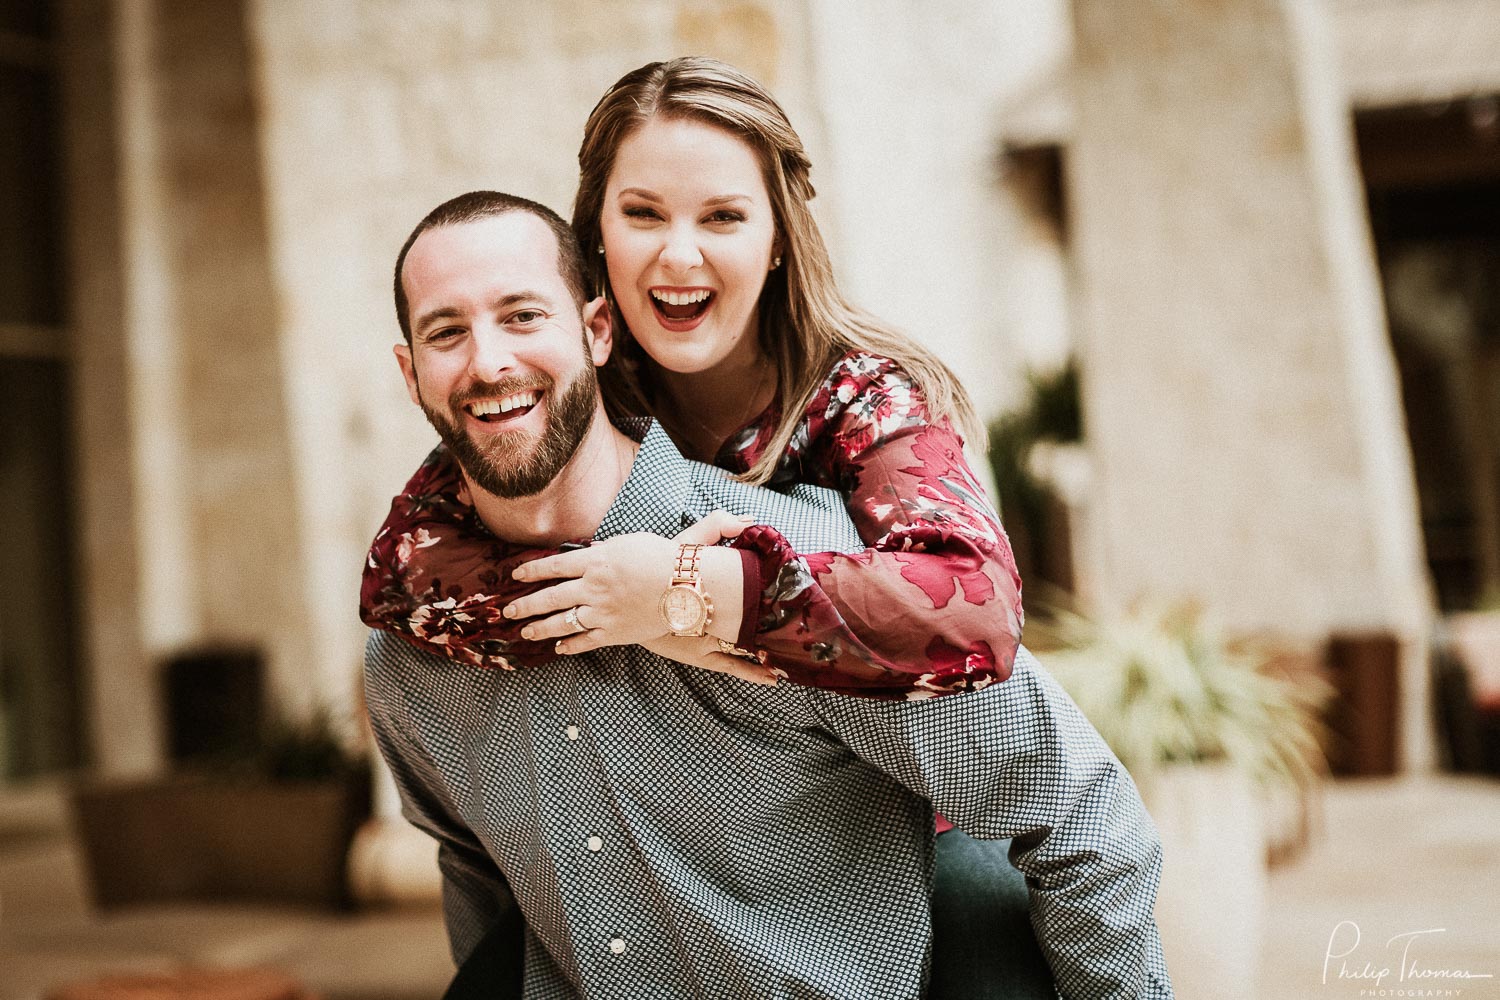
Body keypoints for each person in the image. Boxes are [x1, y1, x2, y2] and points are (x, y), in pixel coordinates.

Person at [366, 191, 1172, 999]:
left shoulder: (807, 575)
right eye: (446, 331)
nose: (487, 361)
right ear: (411, 373)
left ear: (597, 331)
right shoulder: (415, 658)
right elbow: (477, 880)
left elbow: (1087, 826)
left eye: (522, 315)